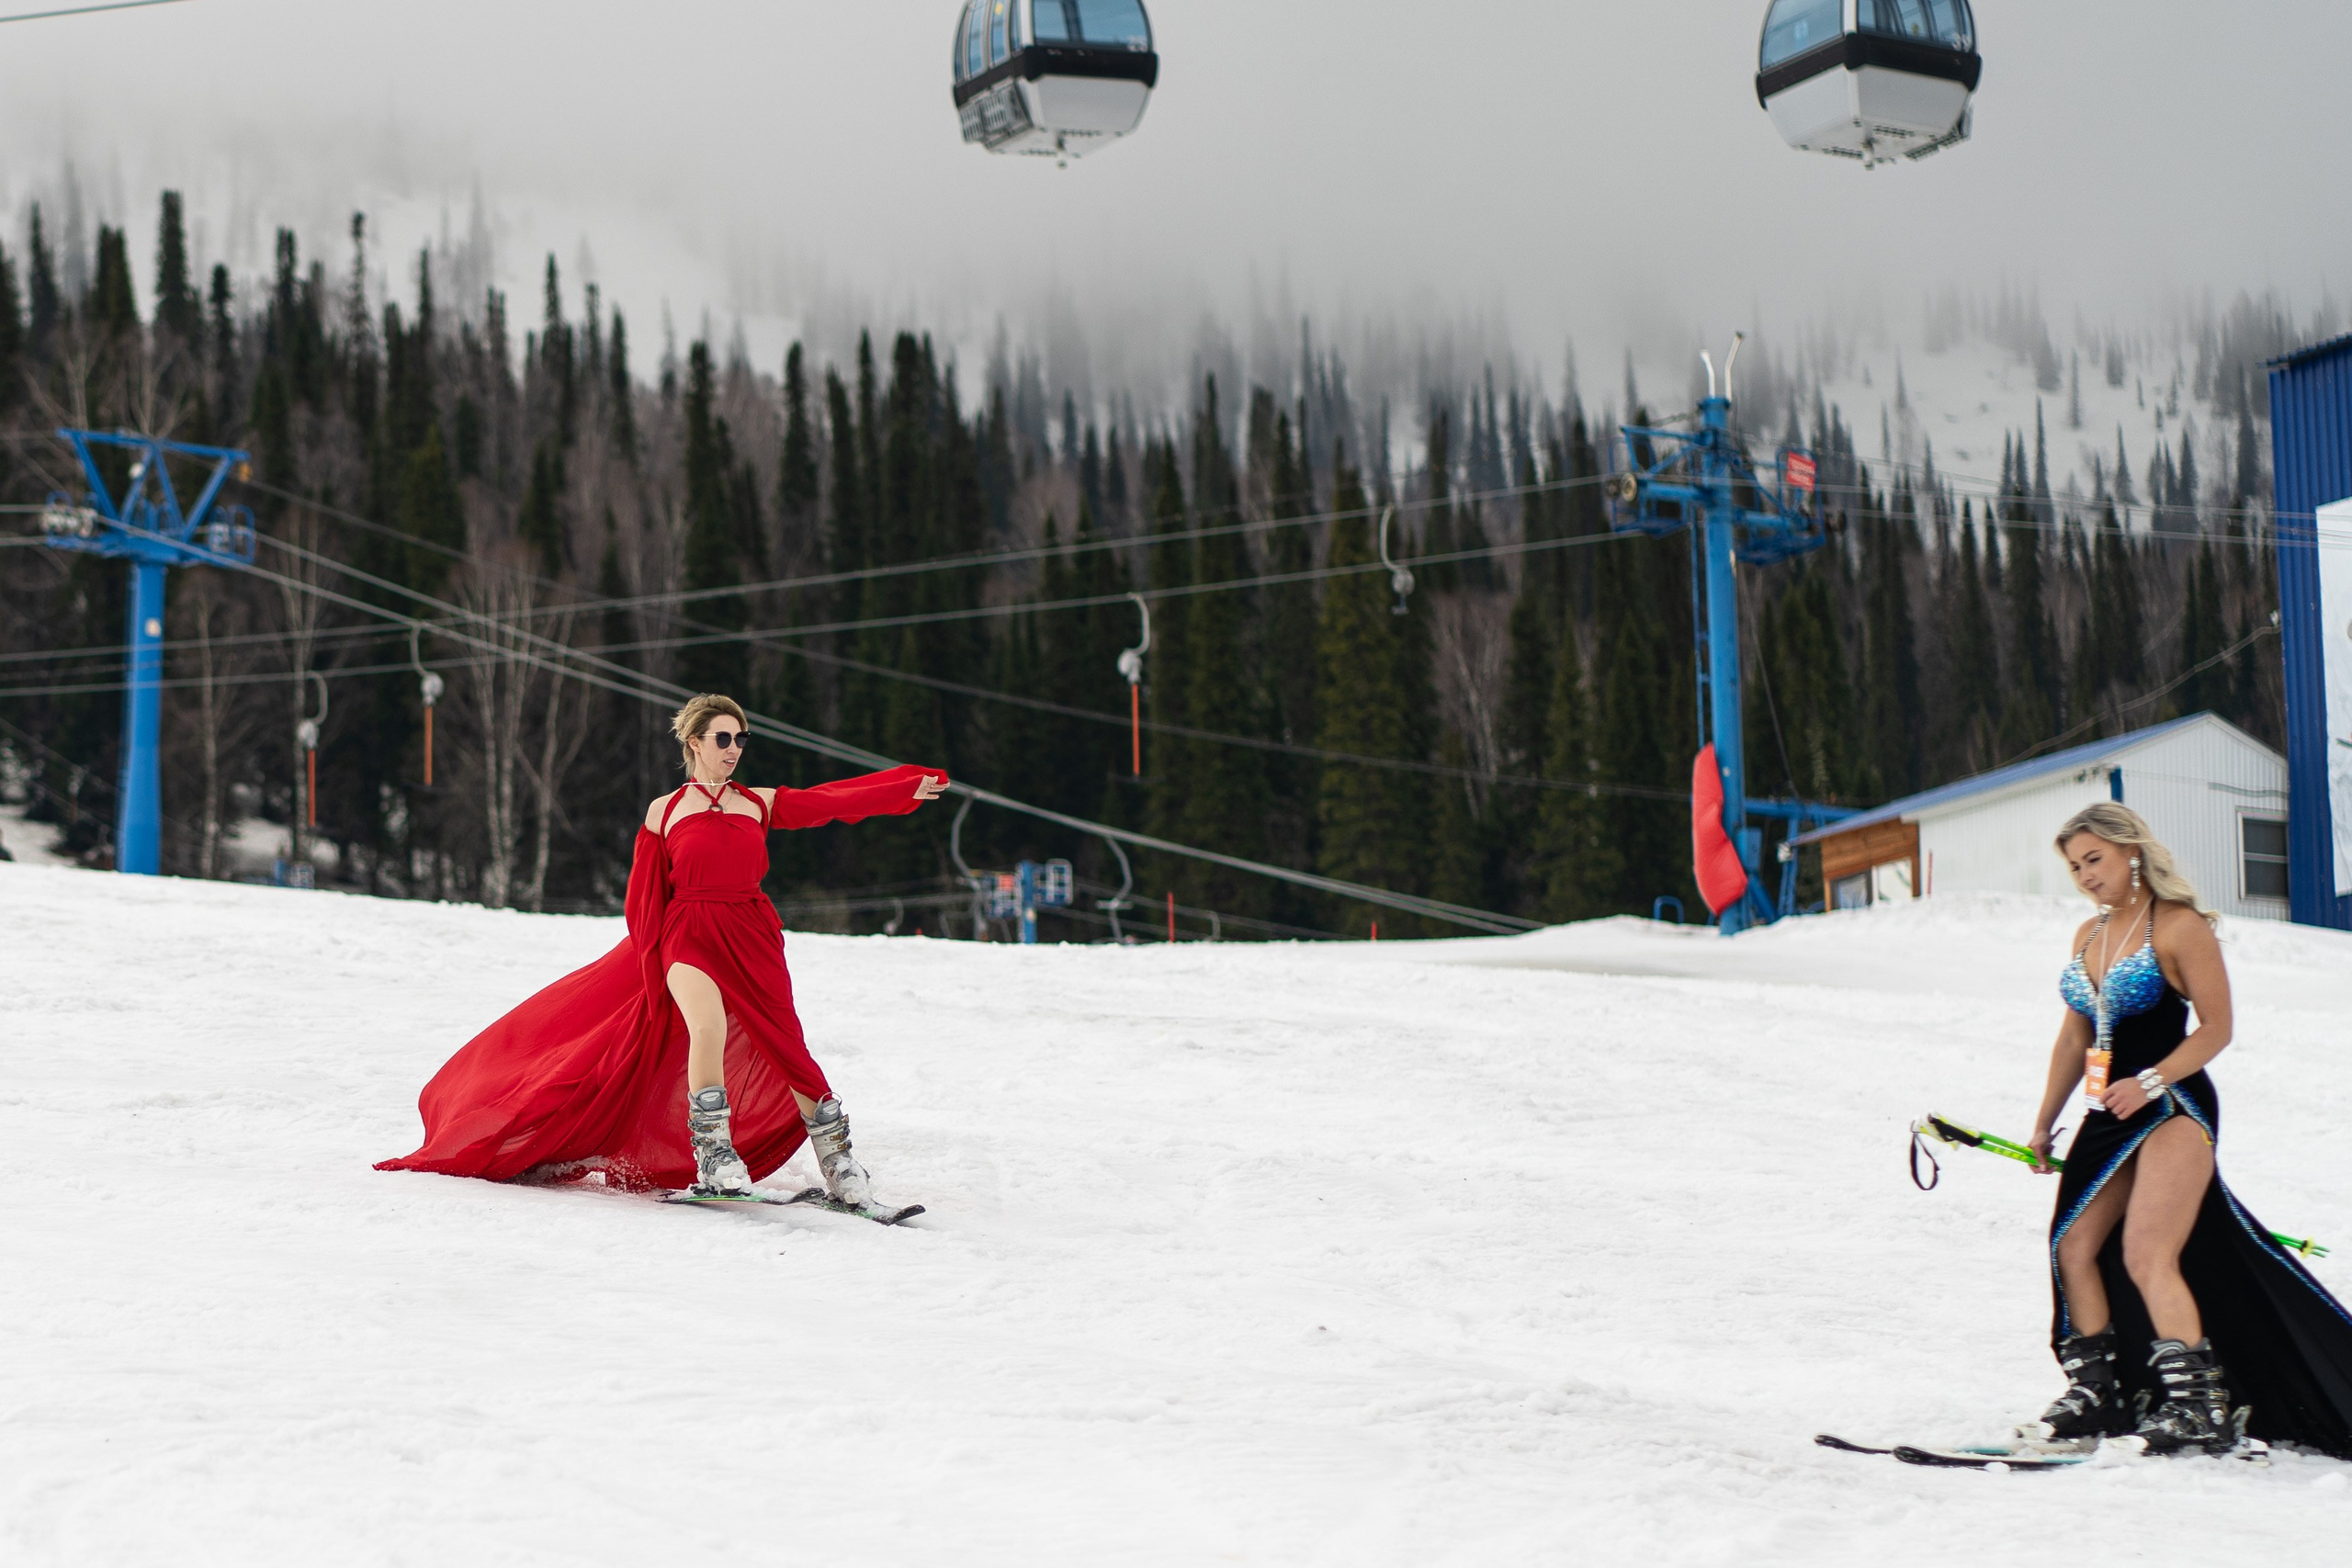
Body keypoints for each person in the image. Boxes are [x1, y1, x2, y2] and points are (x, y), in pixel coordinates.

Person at [379, 694, 948, 1201]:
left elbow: (833, 801)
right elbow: (643, 896)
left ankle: (840, 1163)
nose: (733, 748)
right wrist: (650, 960)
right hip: (688, 932)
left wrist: (903, 787)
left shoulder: (759, 803)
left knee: (785, 1042)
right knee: (707, 1027)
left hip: (750, 933)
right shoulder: (666, 811)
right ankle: (716, 1157)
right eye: (723, 738)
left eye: (741, 738)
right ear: (695, 742)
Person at [2022, 803, 2352, 1456]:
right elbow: (2074, 1035)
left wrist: (2151, 1080)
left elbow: (2217, 1028)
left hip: (2173, 1108)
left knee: (2148, 1250)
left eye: (2095, 858)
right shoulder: (2087, 936)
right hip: (2108, 1111)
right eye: (2075, 865)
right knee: (2074, 1246)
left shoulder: (2179, 926)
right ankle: (2098, 1391)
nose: (2086, 875)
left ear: (2131, 851)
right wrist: (2043, 1122)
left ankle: (2198, 1406)